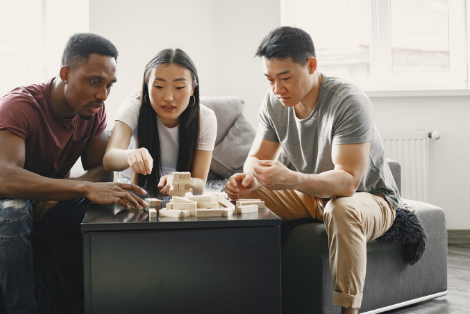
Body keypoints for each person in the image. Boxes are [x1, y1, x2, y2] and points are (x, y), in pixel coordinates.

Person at [0, 33, 148, 314]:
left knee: (117, 203)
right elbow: (0, 180)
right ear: (66, 74)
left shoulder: (93, 109)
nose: (103, 95)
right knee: (14, 209)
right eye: (94, 81)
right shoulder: (20, 105)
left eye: (109, 85)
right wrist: (76, 188)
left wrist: (65, 193)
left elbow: (101, 170)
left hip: (52, 203)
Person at [225, 26, 400, 314]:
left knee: (341, 209)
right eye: (270, 79)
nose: (277, 89)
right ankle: (249, 296)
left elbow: (347, 183)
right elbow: (256, 156)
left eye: (285, 78)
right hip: (313, 194)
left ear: (312, 65)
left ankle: (349, 310)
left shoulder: (348, 102)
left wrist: (290, 178)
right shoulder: (274, 102)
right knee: (240, 200)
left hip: (370, 198)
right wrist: (249, 179)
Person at [103, 48, 217, 197]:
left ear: (192, 90)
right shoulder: (133, 107)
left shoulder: (206, 118)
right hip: (134, 191)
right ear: (147, 86)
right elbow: (109, 158)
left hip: (177, 198)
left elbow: (200, 185)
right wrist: (130, 155)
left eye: (179, 87)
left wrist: (181, 182)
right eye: (159, 86)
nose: (168, 97)